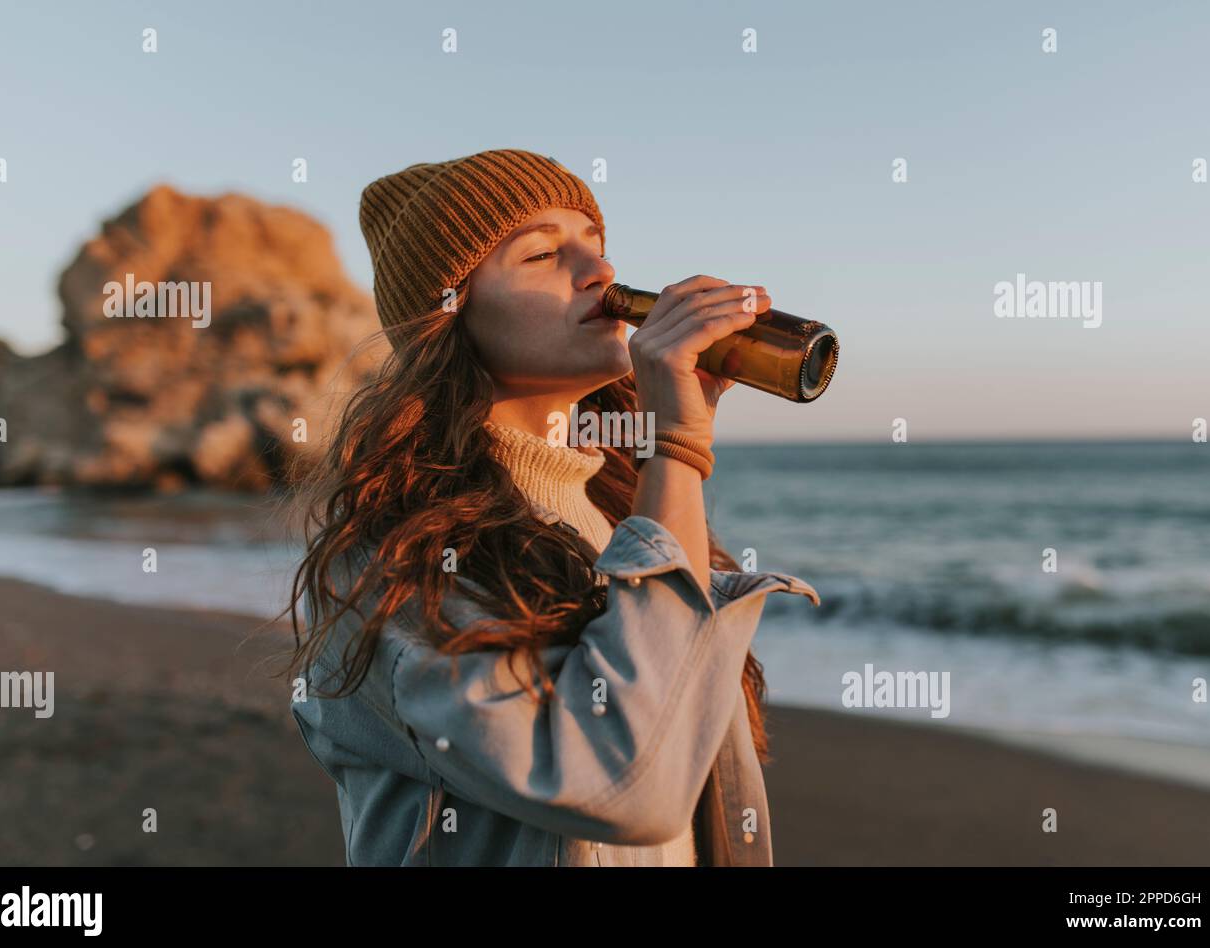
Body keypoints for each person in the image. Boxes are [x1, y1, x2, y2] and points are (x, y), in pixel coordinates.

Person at [281, 147, 819, 866]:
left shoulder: (621, 507)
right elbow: (627, 785)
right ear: (450, 317)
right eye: (541, 255)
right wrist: (679, 451)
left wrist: (669, 459)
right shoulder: (395, 560)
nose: (598, 272)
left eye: (594, 245)